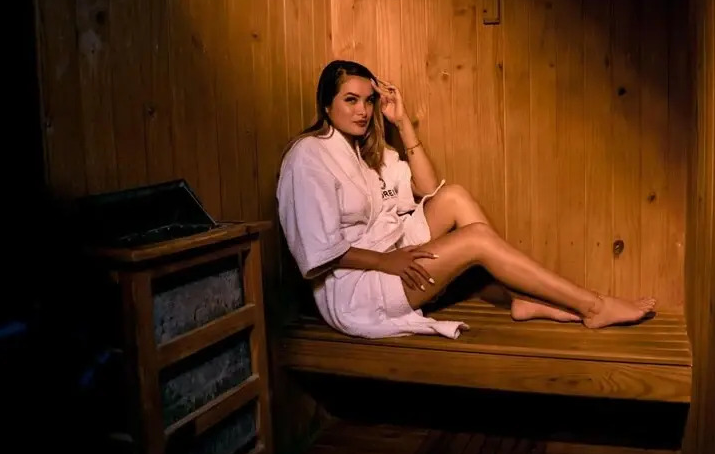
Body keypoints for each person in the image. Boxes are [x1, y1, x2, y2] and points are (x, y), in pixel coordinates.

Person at [277, 60, 655, 339]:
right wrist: (385, 261)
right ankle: (593, 306)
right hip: (355, 288)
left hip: (388, 254)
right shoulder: (308, 156)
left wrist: (402, 123)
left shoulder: (362, 152)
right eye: (350, 100)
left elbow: (428, 188)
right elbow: (317, 250)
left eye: (368, 100)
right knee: (476, 239)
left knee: (454, 196)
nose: (362, 111)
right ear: (326, 105)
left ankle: (519, 298)